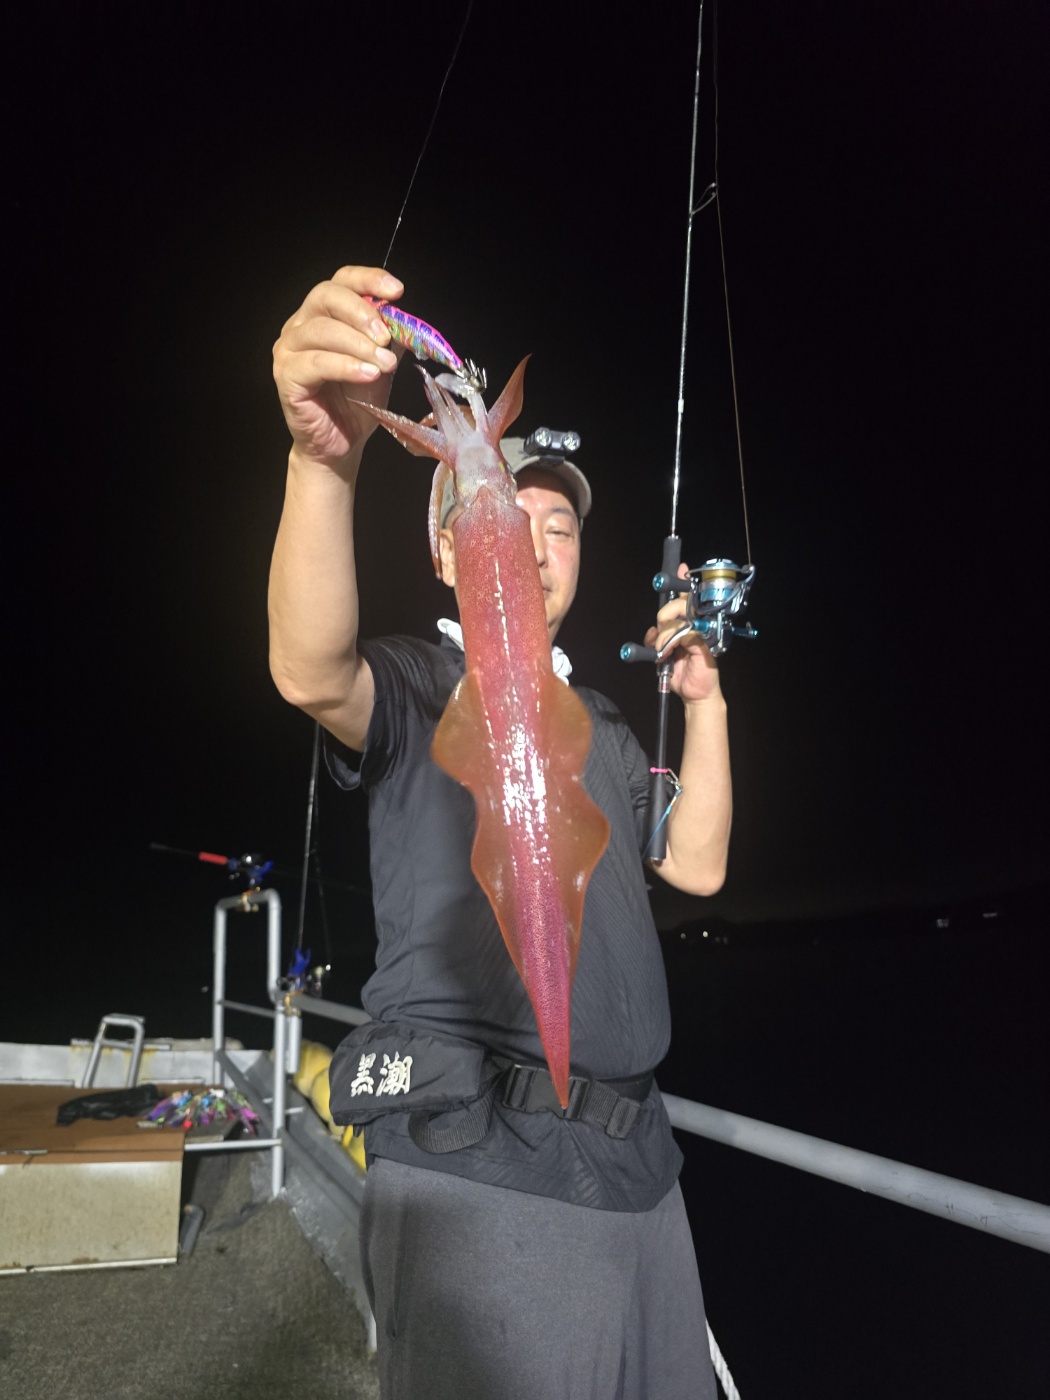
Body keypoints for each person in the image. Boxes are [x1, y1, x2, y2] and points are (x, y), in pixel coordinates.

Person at [269, 264, 731, 1399]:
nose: (531, 540)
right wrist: (323, 461)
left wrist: (706, 703)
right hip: (481, 1170)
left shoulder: (604, 725)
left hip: (640, 1170)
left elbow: (698, 864)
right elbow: (311, 668)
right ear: (446, 550)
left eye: (558, 526)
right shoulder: (416, 685)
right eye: (501, 514)